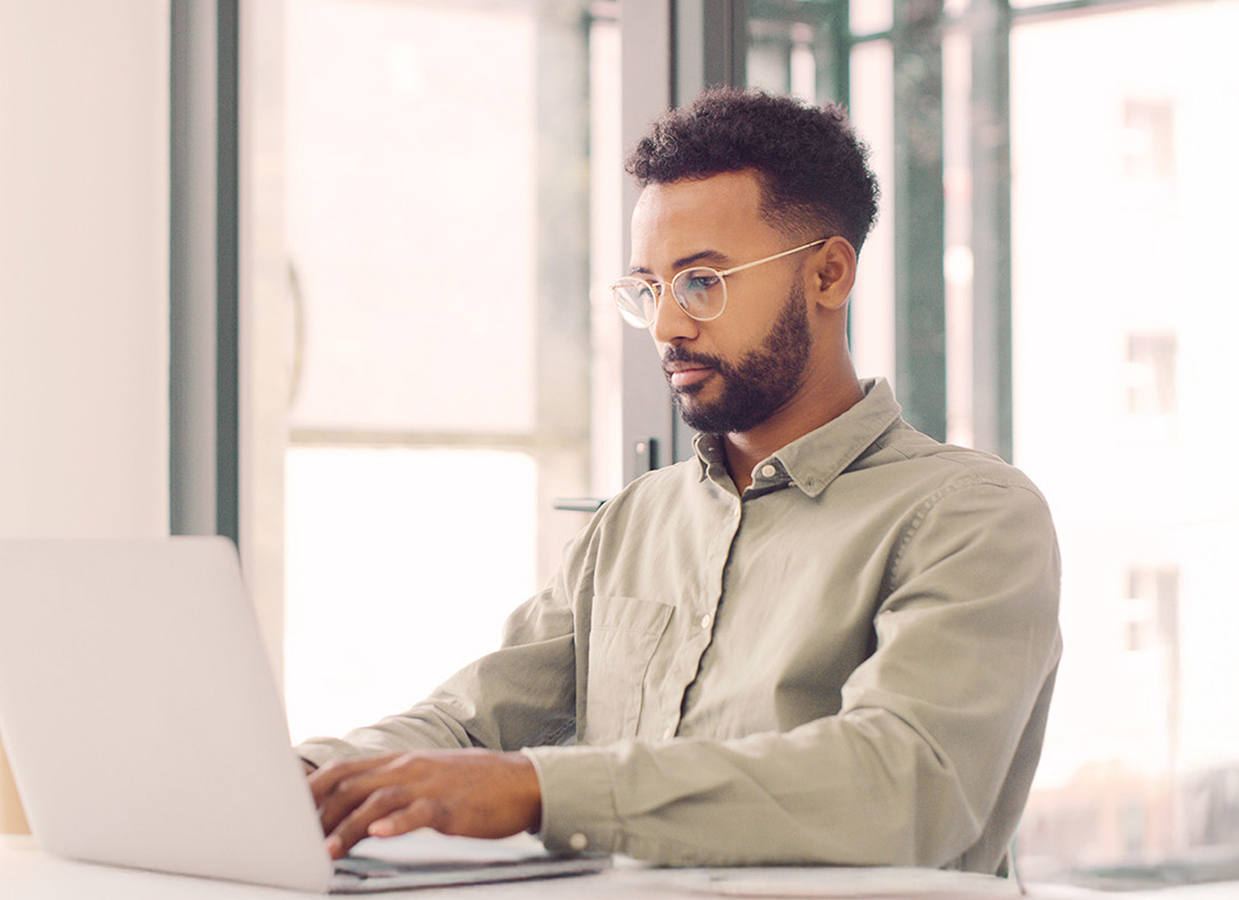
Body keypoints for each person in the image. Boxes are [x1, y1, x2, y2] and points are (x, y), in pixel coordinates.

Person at [296, 87, 1062, 875]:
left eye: (702, 282)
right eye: (649, 289)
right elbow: (471, 724)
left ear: (828, 275)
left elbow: (902, 789)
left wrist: (540, 790)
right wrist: (317, 777)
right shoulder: (634, 521)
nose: (666, 325)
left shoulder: (971, 517)